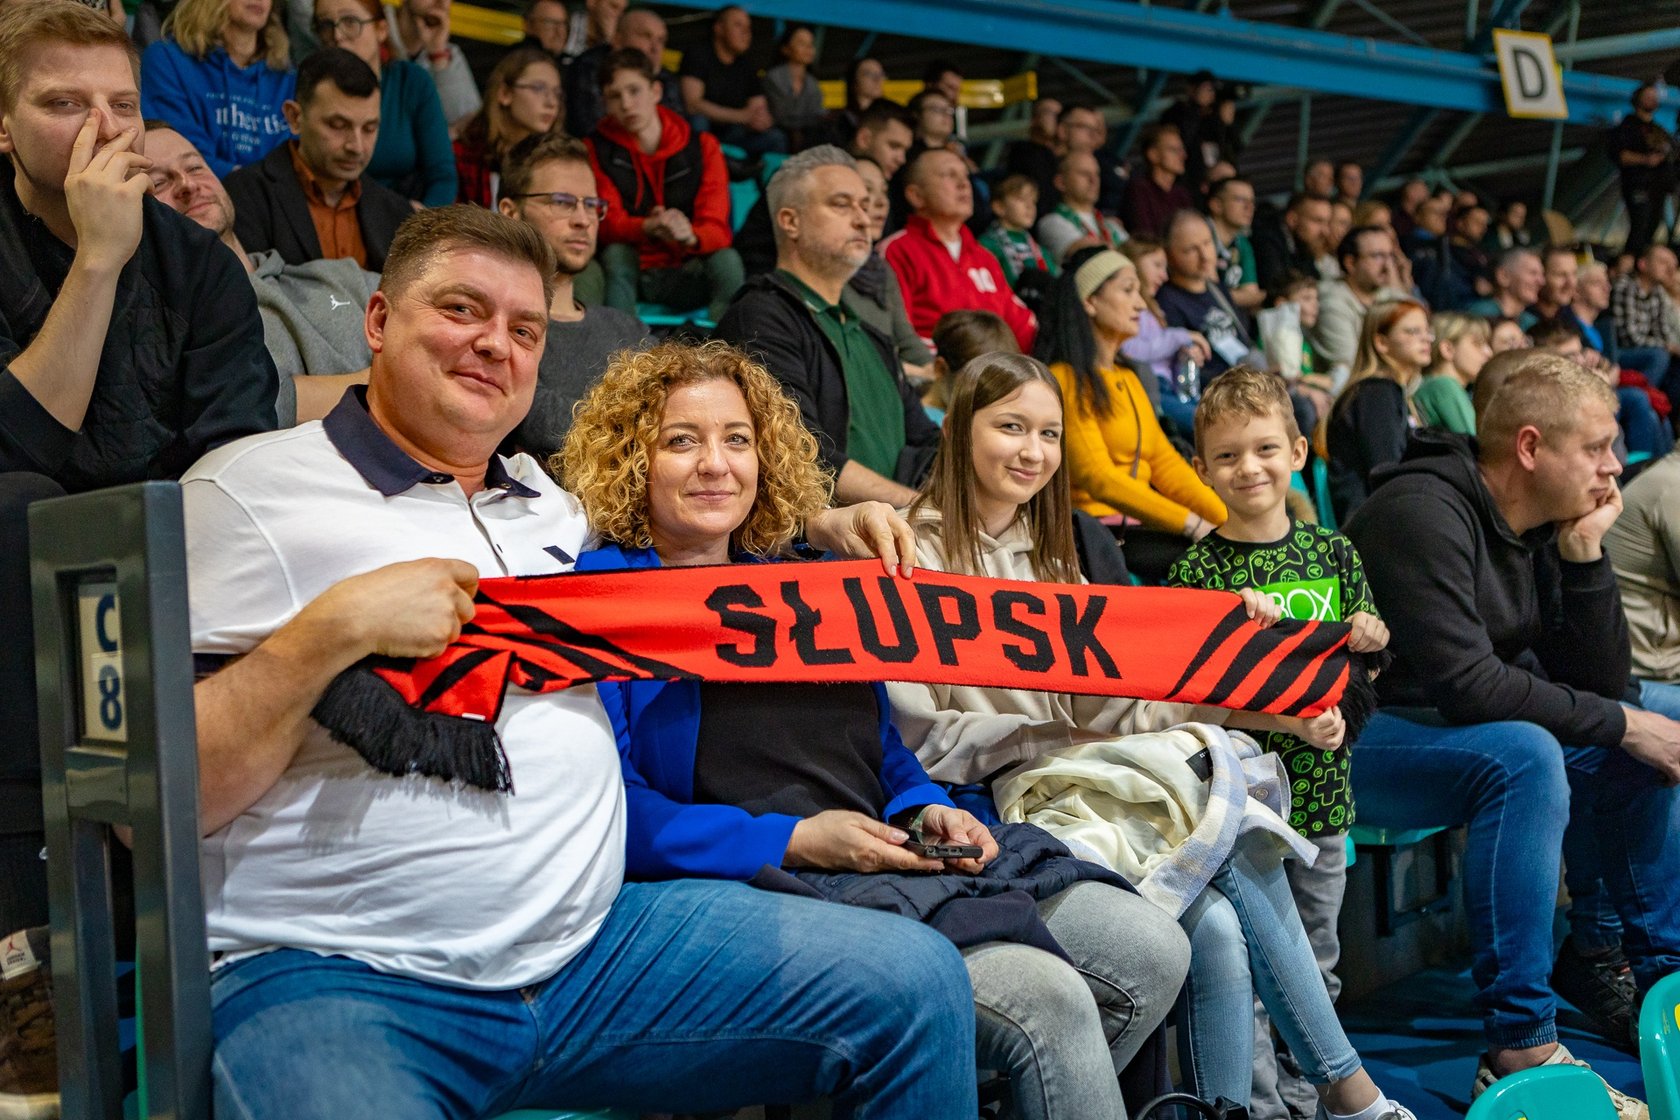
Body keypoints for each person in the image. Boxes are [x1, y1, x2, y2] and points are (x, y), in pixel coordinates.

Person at [181, 202, 975, 1118]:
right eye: (461, 310)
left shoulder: (551, 511)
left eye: (524, 329)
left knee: (916, 983)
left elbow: (694, 527)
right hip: (342, 972)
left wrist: (819, 521)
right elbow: (157, 805)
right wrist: (327, 633)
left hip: (599, 955)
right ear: (379, 320)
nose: (495, 344)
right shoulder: (248, 491)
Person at [560, 338, 1188, 1120]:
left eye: (738, 440)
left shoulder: (808, 579)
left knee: (1151, 948)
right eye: (682, 441)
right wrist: (795, 839)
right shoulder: (601, 599)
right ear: (632, 459)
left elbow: (879, 745)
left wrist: (924, 806)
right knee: (1047, 999)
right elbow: (613, 810)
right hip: (755, 877)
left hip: (886, 848)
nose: (716, 464)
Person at [889, 353, 1415, 1120]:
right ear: (959, 430)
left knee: (1222, 927)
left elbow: (1122, 711)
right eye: (1010, 428)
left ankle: (1272, 1104)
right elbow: (921, 742)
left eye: (1048, 434)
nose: (1032, 451)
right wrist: (1054, 732)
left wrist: (1255, 709)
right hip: (991, 808)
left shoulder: (1056, 560)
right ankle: (1349, 1090)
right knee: (1224, 841)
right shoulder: (909, 555)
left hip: (1084, 783)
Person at [0, 10, 278, 1085]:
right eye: (62, 103)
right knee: (22, 509)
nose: (101, 129)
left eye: (121, 104)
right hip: (19, 585)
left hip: (167, 572)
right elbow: (21, 447)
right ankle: (28, 955)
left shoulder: (201, 268)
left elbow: (235, 464)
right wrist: (98, 261)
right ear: (4, 124)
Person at [1344, 355, 1678, 1115]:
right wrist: (1624, 723)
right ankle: (1519, 1042)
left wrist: (1585, 554)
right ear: (1530, 447)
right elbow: (1469, 685)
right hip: (1352, 736)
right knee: (1528, 756)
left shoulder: (1542, 524)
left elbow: (1601, 687)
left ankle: (1660, 981)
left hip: (1449, 727)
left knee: (1657, 719)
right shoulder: (1420, 511)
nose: (1615, 465)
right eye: (1596, 447)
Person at [1167, 366, 1390, 1120]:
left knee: (1314, 965)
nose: (1249, 468)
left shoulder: (1334, 553)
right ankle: (1263, 1109)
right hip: (1242, 812)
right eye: (1227, 455)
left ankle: (1311, 1098)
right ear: (1201, 468)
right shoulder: (1199, 573)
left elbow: (1365, 670)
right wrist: (1286, 723)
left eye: (1265, 448)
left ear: (1297, 451)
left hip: (1324, 801)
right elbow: (1189, 703)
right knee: (1259, 977)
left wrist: (1369, 642)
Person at [715, 147, 940, 507]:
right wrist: (918, 509)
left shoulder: (872, 336)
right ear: (791, 221)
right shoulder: (759, 318)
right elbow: (798, 451)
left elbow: (928, 441)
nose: (863, 220)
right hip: (821, 538)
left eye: (865, 206)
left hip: (901, 532)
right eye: (841, 204)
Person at [146, 121, 375, 424]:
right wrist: (389, 382)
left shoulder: (342, 276)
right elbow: (252, 404)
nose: (187, 184)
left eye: (195, 167)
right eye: (159, 183)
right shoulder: (172, 332)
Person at [1035, 246, 1224, 581]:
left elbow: (1166, 465)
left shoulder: (1129, 378)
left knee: (1236, 548)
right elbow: (1099, 479)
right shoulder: (1065, 379)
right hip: (1092, 533)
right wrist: (1192, 524)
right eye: (1127, 290)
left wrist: (1229, 521)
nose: (1140, 304)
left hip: (1138, 527)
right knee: (1212, 563)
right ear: (1090, 302)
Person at [496, 135, 645, 460]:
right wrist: (633, 428)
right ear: (510, 212)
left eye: (591, 205)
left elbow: (669, 418)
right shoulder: (495, 329)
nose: (583, 219)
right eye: (562, 202)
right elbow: (531, 418)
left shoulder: (630, 331)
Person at [588, 48, 742, 324]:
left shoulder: (703, 146)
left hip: (686, 267)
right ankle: (621, 345)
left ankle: (726, 345)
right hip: (631, 270)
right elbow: (605, 224)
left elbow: (718, 228)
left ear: (656, 91)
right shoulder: (595, 148)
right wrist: (647, 226)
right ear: (605, 104)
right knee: (615, 254)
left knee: (727, 260)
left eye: (634, 91)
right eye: (614, 96)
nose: (626, 104)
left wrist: (689, 235)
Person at [223, 48, 412, 271]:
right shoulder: (244, 197)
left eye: (369, 128)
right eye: (338, 126)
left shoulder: (396, 212)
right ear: (294, 118)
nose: (357, 146)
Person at [881, 148, 1037, 351]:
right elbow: (898, 336)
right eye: (949, 175)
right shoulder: (897, 251)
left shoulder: (984, 257)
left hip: (993, 367)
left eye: (965, 176)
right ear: (916, 196)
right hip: (936, 368)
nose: (964, 184)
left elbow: (1023, 327)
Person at [312, 0, 454, 205]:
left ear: (381, 30)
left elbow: (443, 176)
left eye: (350, 22)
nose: (337, 36)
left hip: (404, 215)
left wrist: (425, 218)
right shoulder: (309, 89)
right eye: (325, 25)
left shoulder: (411, 82)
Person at [140, 0, 295, 177]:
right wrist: (252, 185)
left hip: (273, 193)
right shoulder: (166, 60)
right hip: (194, 188)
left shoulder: (287, 79)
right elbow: (175, 151)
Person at [1325, 299, 1431, 522]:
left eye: (1426, 331)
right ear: (1381, 342)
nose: (1426, 338)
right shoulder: (1375, 394)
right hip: (1375, 524)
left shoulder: (1390, 392)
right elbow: (1386, 470)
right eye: (1412, 331)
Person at [847, 156, 934, 380]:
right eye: (867, 190)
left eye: (884, 192)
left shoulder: (880, 268)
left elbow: (906, 340)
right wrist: (919, 372)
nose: (880, 202)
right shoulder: (826, 269)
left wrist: (938, 374)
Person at [453, 47, 564, 207]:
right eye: (538, 88)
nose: (551, 102)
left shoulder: (557, 162)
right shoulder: (461, 156)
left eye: (557, 93)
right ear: (505, 93)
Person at [1119, 236, 1208, 435]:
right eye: (1157, 265)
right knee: (1207, 426)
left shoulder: (1153, 309)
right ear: (1134, 262)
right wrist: (1182, 337)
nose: (1164, 276)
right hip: (1153, 390)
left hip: (1173, 389)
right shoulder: (1128, 310)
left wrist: (1184, 355)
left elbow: (1162, 355)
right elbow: (1131, 350)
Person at [1156, 209, 1256, 384]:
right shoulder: (1167, 302)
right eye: (1191, 250)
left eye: (1207, 243)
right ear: (1168, 255)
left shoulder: (1216, 288)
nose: (1205, 256)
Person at [679, 4, 784, 156]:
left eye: (748, 27)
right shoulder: (698, 54)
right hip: (704, 131)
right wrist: (741, 116)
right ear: (719, 28)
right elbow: (693, 105)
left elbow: (758, 107)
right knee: (699, 122)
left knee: (776, 138)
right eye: (738, 25)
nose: (746, 32)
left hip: (734, 133)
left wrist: (762, 120)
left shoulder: (747, 65)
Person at [564, 7, 683, 139]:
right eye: (646, 36)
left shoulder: (666, 77)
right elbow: (589, 128)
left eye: (661, 40)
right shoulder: (588, 67)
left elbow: (678, 129)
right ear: (618, 40)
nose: (655, 48)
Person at [1313, 225, 1405, 375]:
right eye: (1377, 256)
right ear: (1350, 263)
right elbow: (1352, 366)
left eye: (1390, 256)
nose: (1387, 266)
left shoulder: (1390, 296)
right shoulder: (1331, 303)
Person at [384, 0, 481, 137]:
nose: (442, 2)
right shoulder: (370, 31)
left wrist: (438, 54)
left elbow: (468, 127)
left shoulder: (447, 52)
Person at [1610, 83, 1675, 260]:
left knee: (1652, 225)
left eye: (1655, 97)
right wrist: (1646, 159)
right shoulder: (1627, 127)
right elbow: (1621, 155)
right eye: (1648, 96)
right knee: (1640, 224)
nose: (1653, 100)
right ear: (1637, 99)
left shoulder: (1658, 130)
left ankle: (1641, 262)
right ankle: (1628, 263)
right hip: (1637, 184)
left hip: (1657, 187)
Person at [1035, 149, 1126, 266]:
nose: (1093, 180)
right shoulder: (1051, 222)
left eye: (1097, 174)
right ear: (1061, 182)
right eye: (1084, 174)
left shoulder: (1110, 225)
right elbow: (1094, 256)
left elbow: (1139, 254)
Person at [1612, 245, 1680, 390]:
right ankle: (1644, 395)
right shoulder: (1626, 286)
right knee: (1659, 356)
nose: (1670, 269)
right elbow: (1630, 338)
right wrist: (1667, 346)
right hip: (1618, 352)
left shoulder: (1657, 292)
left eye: (1672, 265)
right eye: (1663, 262)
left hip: (1644, 349)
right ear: (1642, 264)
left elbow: (1662, 331)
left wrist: (1673, 348)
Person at [1412, 311, 1490, 436]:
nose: (1488, 352)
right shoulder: (1444, 385)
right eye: (1477, 344)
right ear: (1448, 349)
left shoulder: (1429, 384)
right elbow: (1475, 441)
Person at [1118, 122, 1193, 240]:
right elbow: (1145, 236)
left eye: (1182, 149)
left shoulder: (1182, 194)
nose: (1183, 155)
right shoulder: (1138, 190)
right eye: (1174, 150)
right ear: (1153, 155)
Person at [980, 174, 1055, 287]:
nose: (1030, 206)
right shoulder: (987, 245)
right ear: (999, 207)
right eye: (1021, 199)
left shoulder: (1040, 251)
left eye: (1033, 201)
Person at [762, 24, 826, 151]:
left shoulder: (813, 84)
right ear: (785, 49)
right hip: (776, 133)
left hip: (805, 135)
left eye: (811, 44)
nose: (808, 48)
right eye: (802, 43)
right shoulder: (774, 77)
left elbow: (816, 115)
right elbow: (779, 115)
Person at [1253, 192, 1332, 292]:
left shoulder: (1303, 242)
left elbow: (1314, 279)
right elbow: (1277, 288)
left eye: (1327, 222)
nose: (1326, 231)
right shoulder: (1267, 240)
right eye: (1317, 221)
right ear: (1292, 220)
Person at [1207, 175, 1262, 312]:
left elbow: (1252, 295)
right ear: (1216, 205)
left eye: (1252, 201)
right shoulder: (1199, 237)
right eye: (1240, 200)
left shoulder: (1242, 243)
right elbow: (1202, 294)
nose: (1249, 207)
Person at [1465, 247, 1542, 329]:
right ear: (1504, 276)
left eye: (1541, 275)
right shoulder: (1479, 316)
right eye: (1532, 273)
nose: (1541, 281)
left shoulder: (1532, 323)